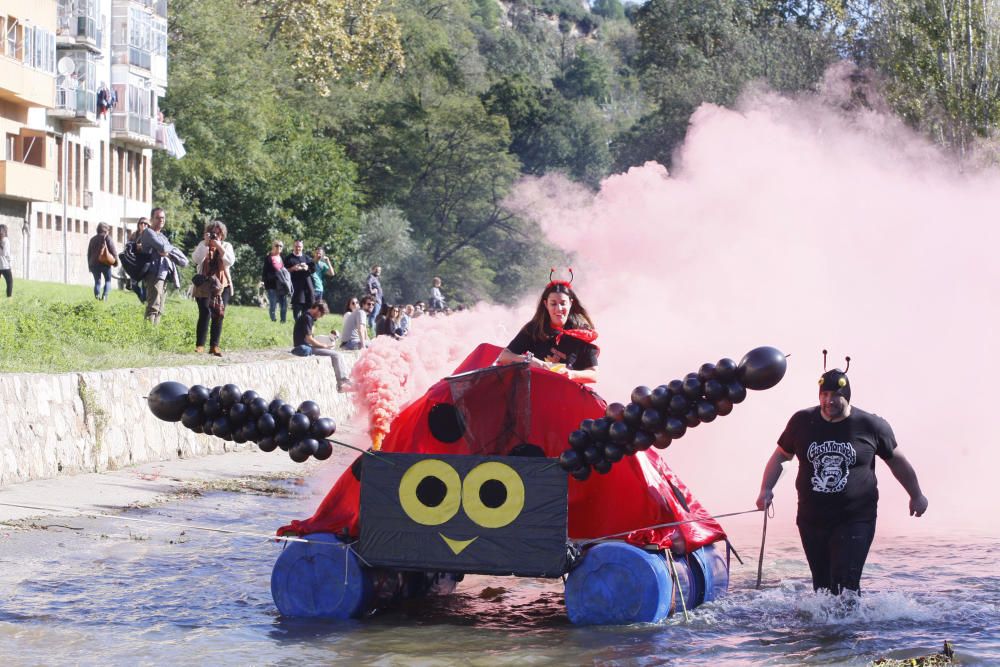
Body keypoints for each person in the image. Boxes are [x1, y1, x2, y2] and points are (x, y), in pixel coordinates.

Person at [755, 358, 928, 595]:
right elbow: (781, 457)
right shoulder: (802, 422)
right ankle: (824, 632)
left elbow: (897, 462)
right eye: (824, 395)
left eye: (835, 395)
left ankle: (849, 630)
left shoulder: (870, 425)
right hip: (811, 519)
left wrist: (916, 495)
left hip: (855, 518)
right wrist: (766, 489)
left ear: (847, 396)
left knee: (845, 584)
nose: (829, 401)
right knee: (823, 588)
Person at [496, 277, 599, 384]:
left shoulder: (582, 333)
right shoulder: (534, 329)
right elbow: (504, 356)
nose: (558, 309)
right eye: (553, 304)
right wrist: (532, 361)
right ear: (546, 304)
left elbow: (594, 374)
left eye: (563, 303)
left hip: (567, 394)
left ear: (571, 303)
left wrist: (571, 374)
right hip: (535, 390)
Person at [191, 220, 236, 356]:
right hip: (204, 284)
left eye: (218, 233)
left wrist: (219, 246)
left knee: (218, 314)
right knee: (205, 312)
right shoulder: (203, 244)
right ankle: (200, 345)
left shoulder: (226, 246)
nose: (215, 235)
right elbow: (196, 259)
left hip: (222, 285)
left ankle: (214, 346)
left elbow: (230, 261)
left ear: (222, 234)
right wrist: (206, 244)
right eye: (213, 233)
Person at [291, 299, 353, 392]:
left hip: (305, 345)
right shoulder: (307, 318)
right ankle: (342, 383)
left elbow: (309, 336)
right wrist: (323, 346)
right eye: (321, 314)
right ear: (316, 308)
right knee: (336, 355)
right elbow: (309, 339)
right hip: (305, 347)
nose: (321, 316)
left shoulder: (308, 317)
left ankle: (343, 381)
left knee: (335, 354)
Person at [141, 207, 188, 324]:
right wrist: (170, 249)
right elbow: (162, 248)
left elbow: (170, 251)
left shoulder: (162, 236)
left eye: (163, 218)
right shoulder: (148, 232)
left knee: (160, 306)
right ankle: (147, 333)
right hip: (153, 274)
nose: (161, 220)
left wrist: (169, 249)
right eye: (158, 218)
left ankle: (155, 335)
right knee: (153, 305)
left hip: (163, 274)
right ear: (151, 219)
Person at [285, 240, 315, 322]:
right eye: (296, 246)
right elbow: (283, 271)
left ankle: (305, 324)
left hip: (307, 287)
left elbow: (313, 269)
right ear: (293, 246)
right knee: (297, 306)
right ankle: (297, 324)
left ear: (302, 247)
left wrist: (307, 268)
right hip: (296, 287)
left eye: (300, 247)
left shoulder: (307, 258)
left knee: (307, 308)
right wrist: (293, 268)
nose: (298, 248)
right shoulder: (288, 258)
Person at [87, 223, 118, 301]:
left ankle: (97, 298)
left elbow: (89, 254)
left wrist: (89, 266)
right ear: (106, 230)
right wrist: (115, 262)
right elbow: (113, 251)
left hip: (94, 264)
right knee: (108, 280)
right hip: (105, 263)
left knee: (97, 282)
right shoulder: (107, 238)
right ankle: (105, 296)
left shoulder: (92, 239)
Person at [261, 240, 290, 323]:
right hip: (271, 284)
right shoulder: (268, 258)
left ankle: (283, 321)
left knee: (284, 304)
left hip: (282, 285)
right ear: (273, 246)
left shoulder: (282, 258)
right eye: (277, 245)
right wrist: (263, 281)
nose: (279, 247)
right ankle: (273, 320)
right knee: (273, 304)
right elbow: (265, 271)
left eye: (281, 246)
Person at [123, 218, 149, 303]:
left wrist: (143, 246)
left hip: (145, 261)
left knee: (145, 284)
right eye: (141, 223)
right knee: (134, 285)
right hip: (135, 261)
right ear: (138, 224)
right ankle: (142, 299)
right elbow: (128, 245)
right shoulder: (135, 234)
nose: (143, 225)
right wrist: (134, 245)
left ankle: (144, 301)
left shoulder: (150, 234)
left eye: (145, 224)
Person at [366, 265, 383, 329]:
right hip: (375, 301)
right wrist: (372, 291)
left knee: (374, 317)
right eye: (376, 270)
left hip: (378, 301)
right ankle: (371, 332)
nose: (378, 271)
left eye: (379, 270)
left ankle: (371, 331)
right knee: (372, 316)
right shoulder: (371, 277)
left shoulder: (376, 278)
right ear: (372, 270)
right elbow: (368, 284)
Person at [0, 224, 12, 298]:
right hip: (5, 265)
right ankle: (9, 299)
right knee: (9, 282)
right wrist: (10, 263)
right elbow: (6, 254)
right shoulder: (6, 240)